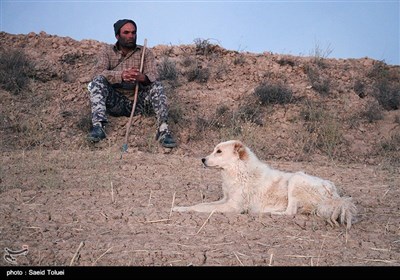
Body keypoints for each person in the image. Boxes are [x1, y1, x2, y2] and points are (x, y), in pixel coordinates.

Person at [87, 19, 177, 148]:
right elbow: (97, 73)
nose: (131, 36)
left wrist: (142, 77)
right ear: (117, 36)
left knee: (157, 86)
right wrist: (121, 76)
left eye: (133, 32)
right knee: (98, 81)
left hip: (138, 101)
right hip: (115, 101)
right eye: (126, 33)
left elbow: (154, 75)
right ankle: (98, 127)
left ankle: (163, 130)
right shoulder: (107, 51)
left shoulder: (145, 52)